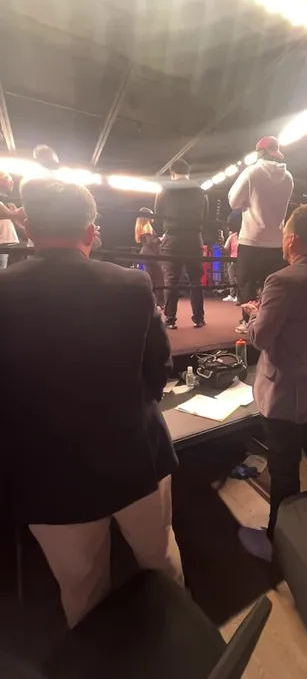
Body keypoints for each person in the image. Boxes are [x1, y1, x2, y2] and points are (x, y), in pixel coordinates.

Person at [0, 178, 183, 627]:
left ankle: (98, 656)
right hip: (134, 454)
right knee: (160, 557)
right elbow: (159, 366)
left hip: (46, 473)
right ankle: (185, 634)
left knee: (81, 588)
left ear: (29, 229)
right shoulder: (132, 285)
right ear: (89, 231)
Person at [238, 204, 307, 562]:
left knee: (285, 469)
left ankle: (280, 544)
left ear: (292, 239)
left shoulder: (281, 281)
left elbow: (261, 338)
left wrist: (253, 316)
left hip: (287, 395)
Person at [228, 136, 294, 334]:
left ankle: (249, 321)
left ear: (261, 152)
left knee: (247, 283)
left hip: (252, 238)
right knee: (271, 285)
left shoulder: (252, 171)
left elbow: (233, 201)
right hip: (276, 241)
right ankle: (270, 320)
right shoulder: (288, 177)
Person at [155, 159, 208, 329]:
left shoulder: (164, 190)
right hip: (194, 237)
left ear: (172, 172)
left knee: (171, 280)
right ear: (188, 172)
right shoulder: (200, 191)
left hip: (173, 237)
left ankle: (170, 319)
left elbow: (157, 214)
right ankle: (198, 318)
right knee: (195, 280)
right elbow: (205, 215)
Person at [135, 207, 165, 309]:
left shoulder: (139, 227)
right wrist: (161, 239)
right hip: (151, 254)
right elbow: (151, 242)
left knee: (149, 279)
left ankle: (151, 302)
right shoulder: (147, 226)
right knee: (159, 278)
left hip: (144, 253)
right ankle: (159, 302)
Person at [0, 171, 22, 269]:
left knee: (3, 264)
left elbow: (15, 219)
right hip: (4, 239)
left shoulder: (6, 202)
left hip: (6, 239)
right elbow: (11, 214)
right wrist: (15, 213)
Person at [223, 224, 239, 303]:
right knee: (232, 278)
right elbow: (226, 249)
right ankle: (232, 295)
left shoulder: (245, 237)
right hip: (233, 260)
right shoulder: (232, 237)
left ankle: (239, 296)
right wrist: (221, 245)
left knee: (240, 279)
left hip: (243, 260)